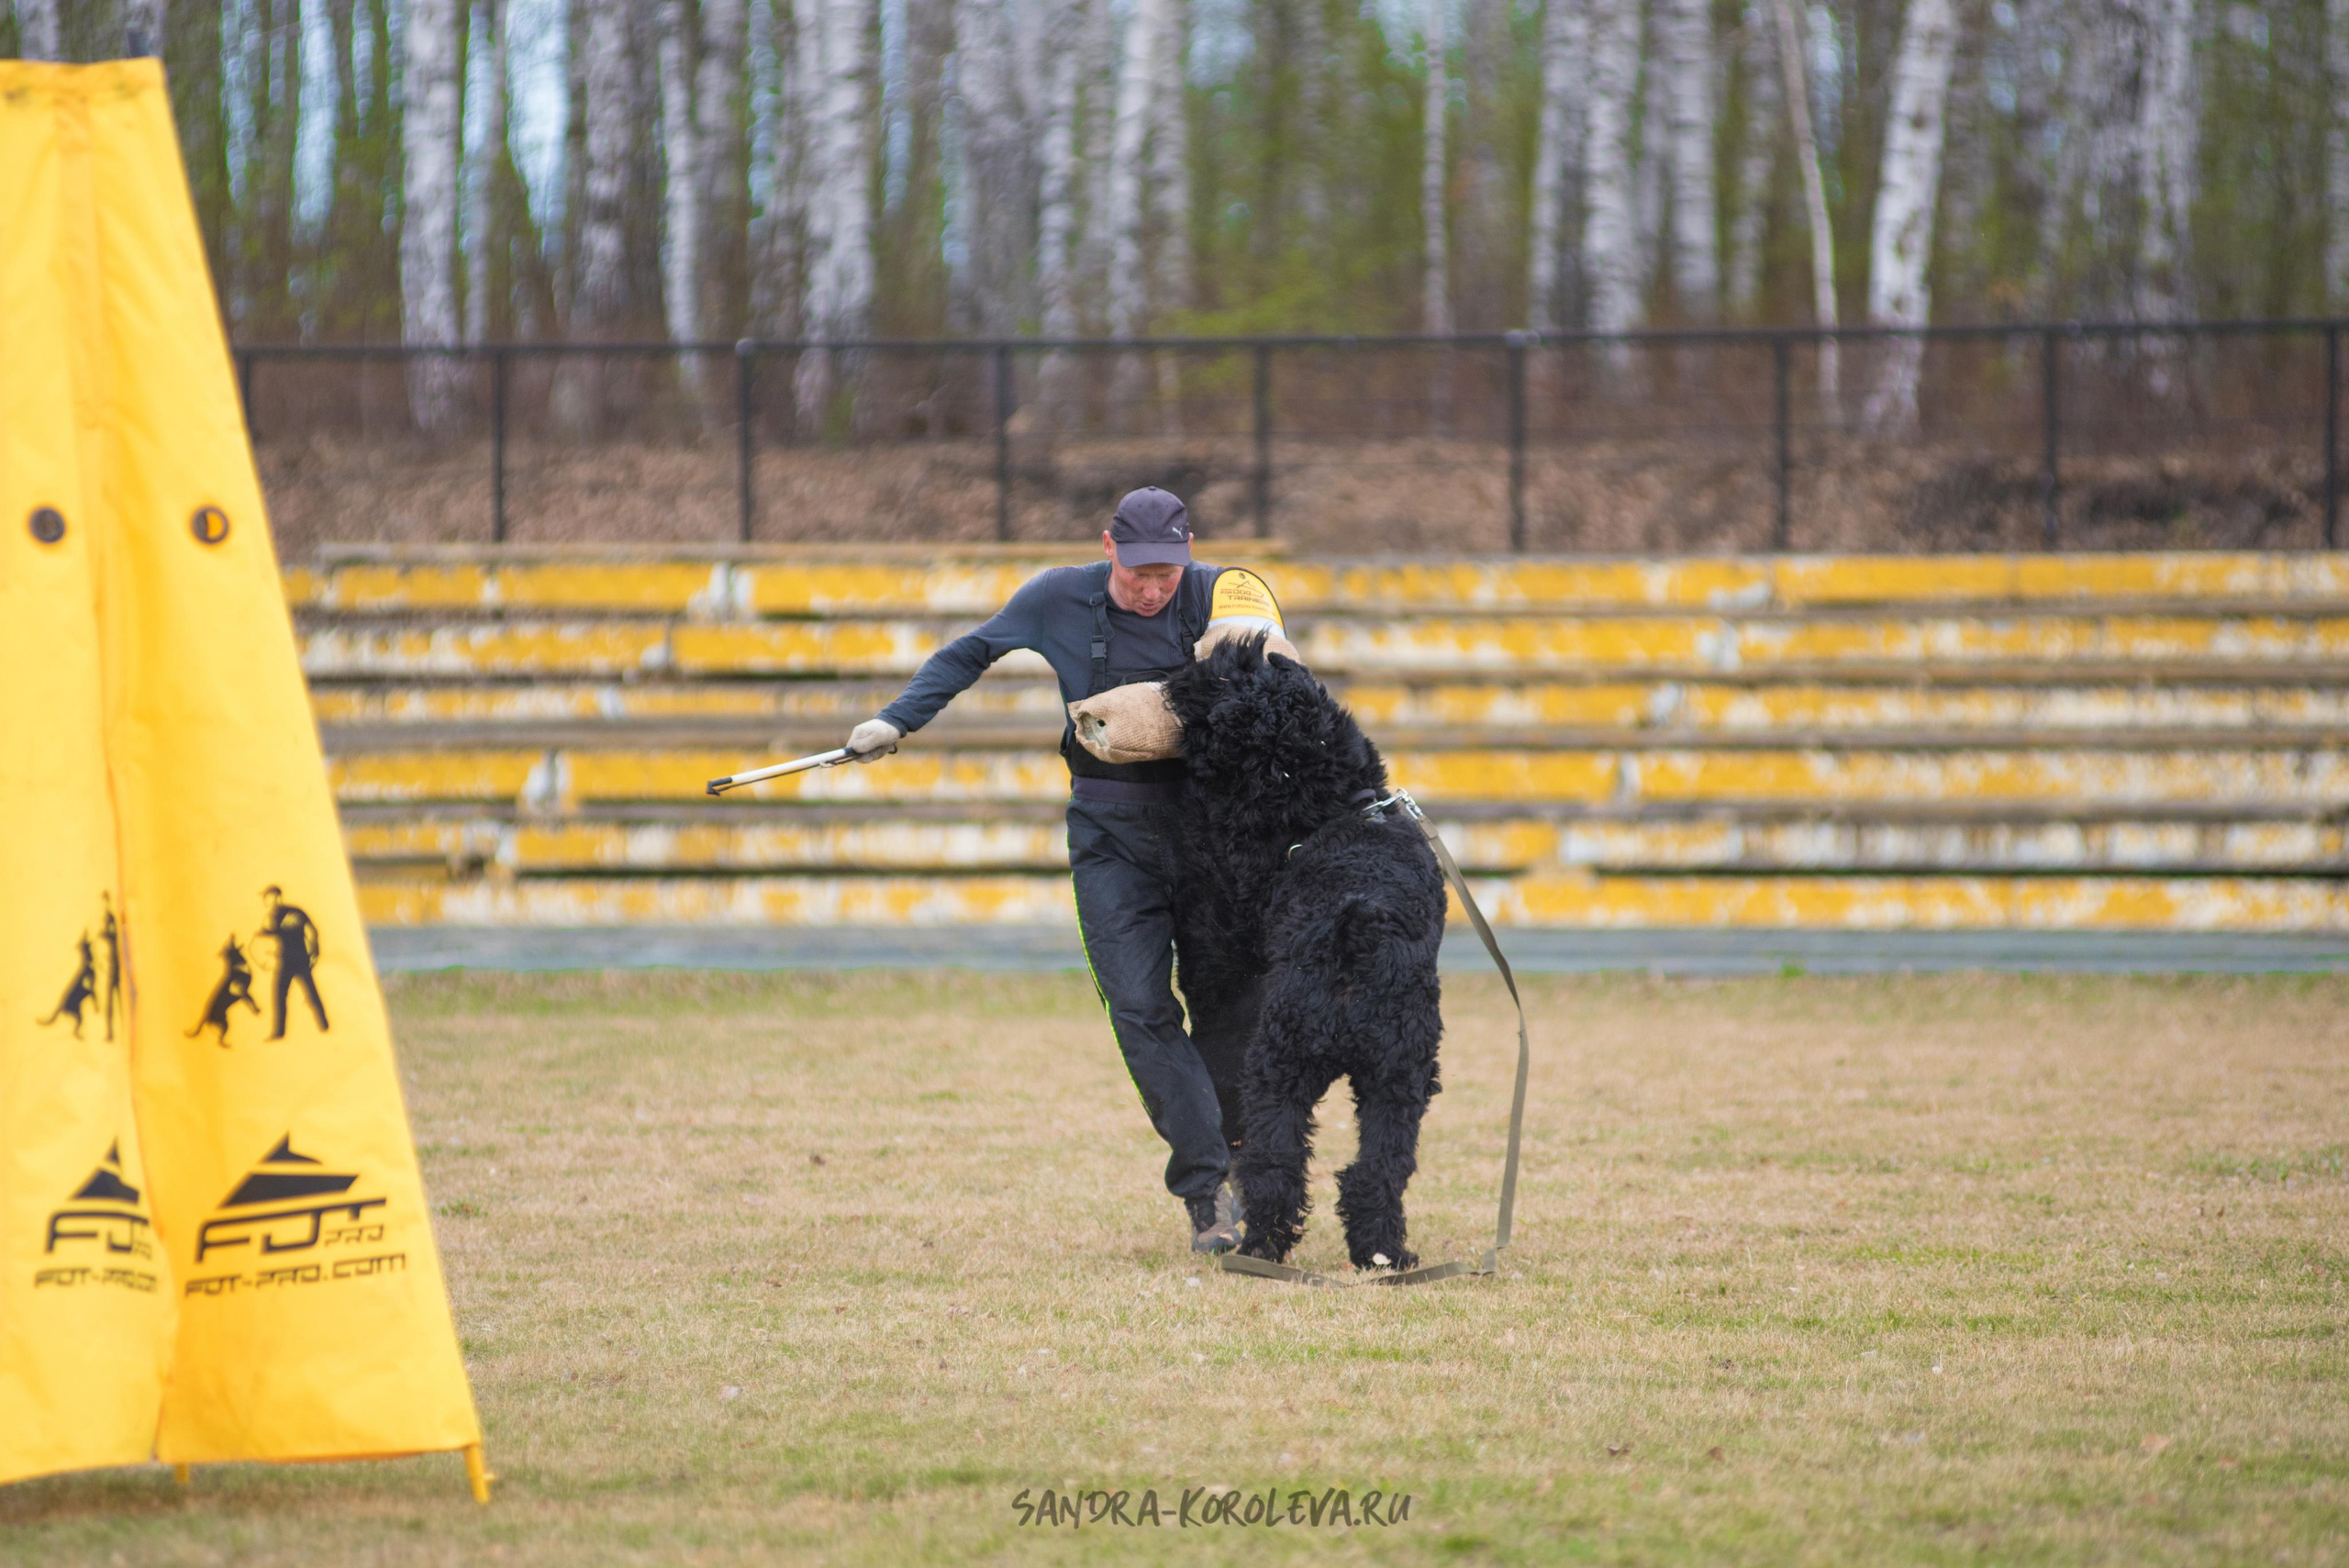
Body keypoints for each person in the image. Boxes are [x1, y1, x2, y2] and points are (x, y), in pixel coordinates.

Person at [847, 488, 1289, 1253]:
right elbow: (969, 653)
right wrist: (897, 719)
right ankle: (1205, 1190)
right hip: (1110, 833)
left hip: (1213, 832)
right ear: (1109, 549)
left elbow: (1280, 684)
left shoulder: (1222, 591)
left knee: (1231, 1008)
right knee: (1140, 1009)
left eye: (1168, 574)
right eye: (1141, 572)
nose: (1156, 589)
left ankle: (1245, 1164)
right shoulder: (1057, 595)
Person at [258, 885, 328, 1040]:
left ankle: (280, 1032)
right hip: (299, 958)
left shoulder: (275, 915)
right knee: (309, 993)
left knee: (282, 995)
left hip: (290, 961)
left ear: (276, 897)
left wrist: (265, 933)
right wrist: (315, 952)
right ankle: (325, 1026)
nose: (266, 901)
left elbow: (307, 930)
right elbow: (312, 931)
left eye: (267, 897)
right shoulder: (295, 911)